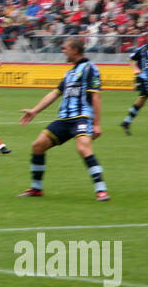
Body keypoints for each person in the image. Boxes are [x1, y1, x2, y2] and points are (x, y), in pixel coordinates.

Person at [17, 37, 108, 202]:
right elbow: (55, 93)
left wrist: (96, 124)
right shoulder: (70, 73)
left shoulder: (90, 69)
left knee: (83, 148)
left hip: (81, 117)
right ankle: (36, 188)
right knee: (38, 145)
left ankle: (101, 190)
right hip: (64, 119)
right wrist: (35, 111)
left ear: (75, 50)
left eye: (65, 48)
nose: (63, 51)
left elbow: (96, 97)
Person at [121, 30, 148, 136]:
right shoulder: (142, 50)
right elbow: (130, 59)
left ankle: (126, 122)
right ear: (147, 37)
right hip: (145, 79)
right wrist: (135, 69)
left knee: (141, 101)